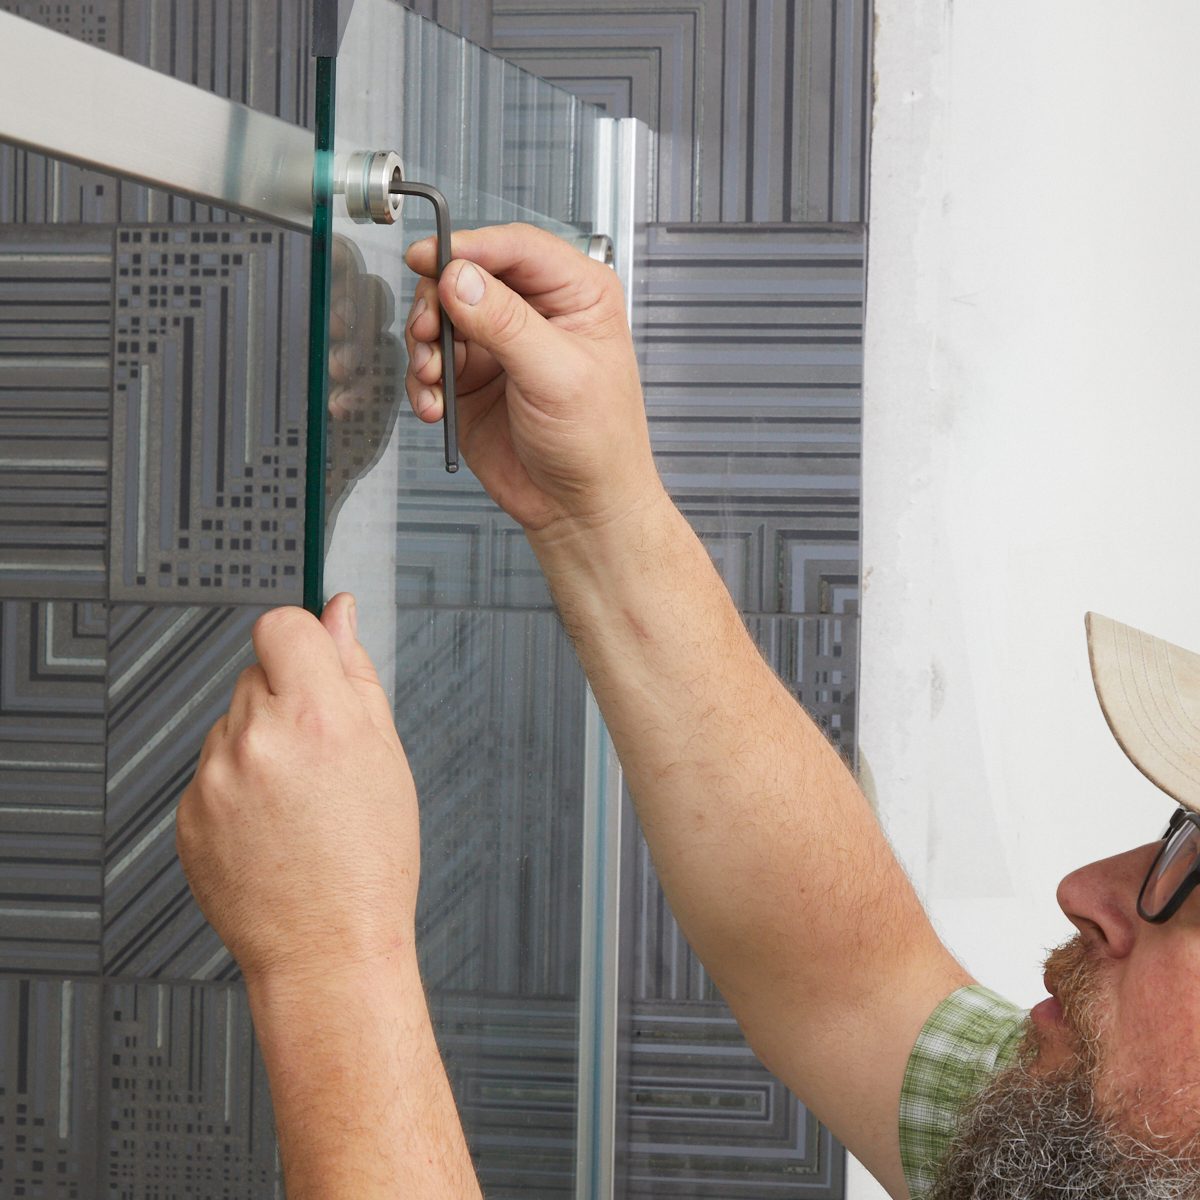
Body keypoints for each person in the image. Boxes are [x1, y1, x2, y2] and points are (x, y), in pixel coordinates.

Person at [176, 224, 1200, 1199]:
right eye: (1172, 836)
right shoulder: (1077, 1152)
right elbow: (851, 983)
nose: (1085, 890)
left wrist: (335, 958)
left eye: (1193, 884)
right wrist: (596, 511)